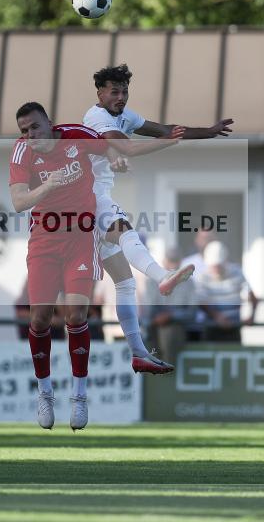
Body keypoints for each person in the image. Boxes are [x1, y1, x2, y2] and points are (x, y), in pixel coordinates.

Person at [8, 101, 180, 431]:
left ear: (50, 124)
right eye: (24, 131)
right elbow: (18, 202)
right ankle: (45, 392)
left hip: (80, 239)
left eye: (34, 127)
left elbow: (115, 148)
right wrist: (48, 185)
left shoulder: (77, 134)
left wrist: (122, 155)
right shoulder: (21, 153)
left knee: (77, 315)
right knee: (40, 318)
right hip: (44, 241)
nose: (30, 135)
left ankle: (79, 394)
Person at [81, 64, 233, 373]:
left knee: (124, 282)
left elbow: (167, 129)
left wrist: (209, 132)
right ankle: (162, 277)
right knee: (126, 232)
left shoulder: (125, 116)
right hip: (87, 197)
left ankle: (138, 352)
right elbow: (127, 147)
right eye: (114, 91)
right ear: (100, 93)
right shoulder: (96, 116)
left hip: (97, 198)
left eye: (124, 91)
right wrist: (168, 141)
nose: (120, 97)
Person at [194, 241, 259, 342]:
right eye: (213, 266)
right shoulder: (203, 277)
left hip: (234, 328)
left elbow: (252, 295)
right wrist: (216, 316)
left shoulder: (237, 272)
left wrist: (252, 316)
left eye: (218, 265)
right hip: (211, 329)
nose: (215, 269)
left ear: (225, 261)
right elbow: (201, 301)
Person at [144, 247, 198, 365]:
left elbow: (192, 313)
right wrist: (158, 318)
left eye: (175, 261)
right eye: (170, 261)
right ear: (164, 261)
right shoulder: (152, 281)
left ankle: (166, 371)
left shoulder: (189, 284)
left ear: (180, 262)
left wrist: (171, 316)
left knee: (169, 333)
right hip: (154, 327)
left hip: (178, 327)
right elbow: (148, 310)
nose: (173, 264)